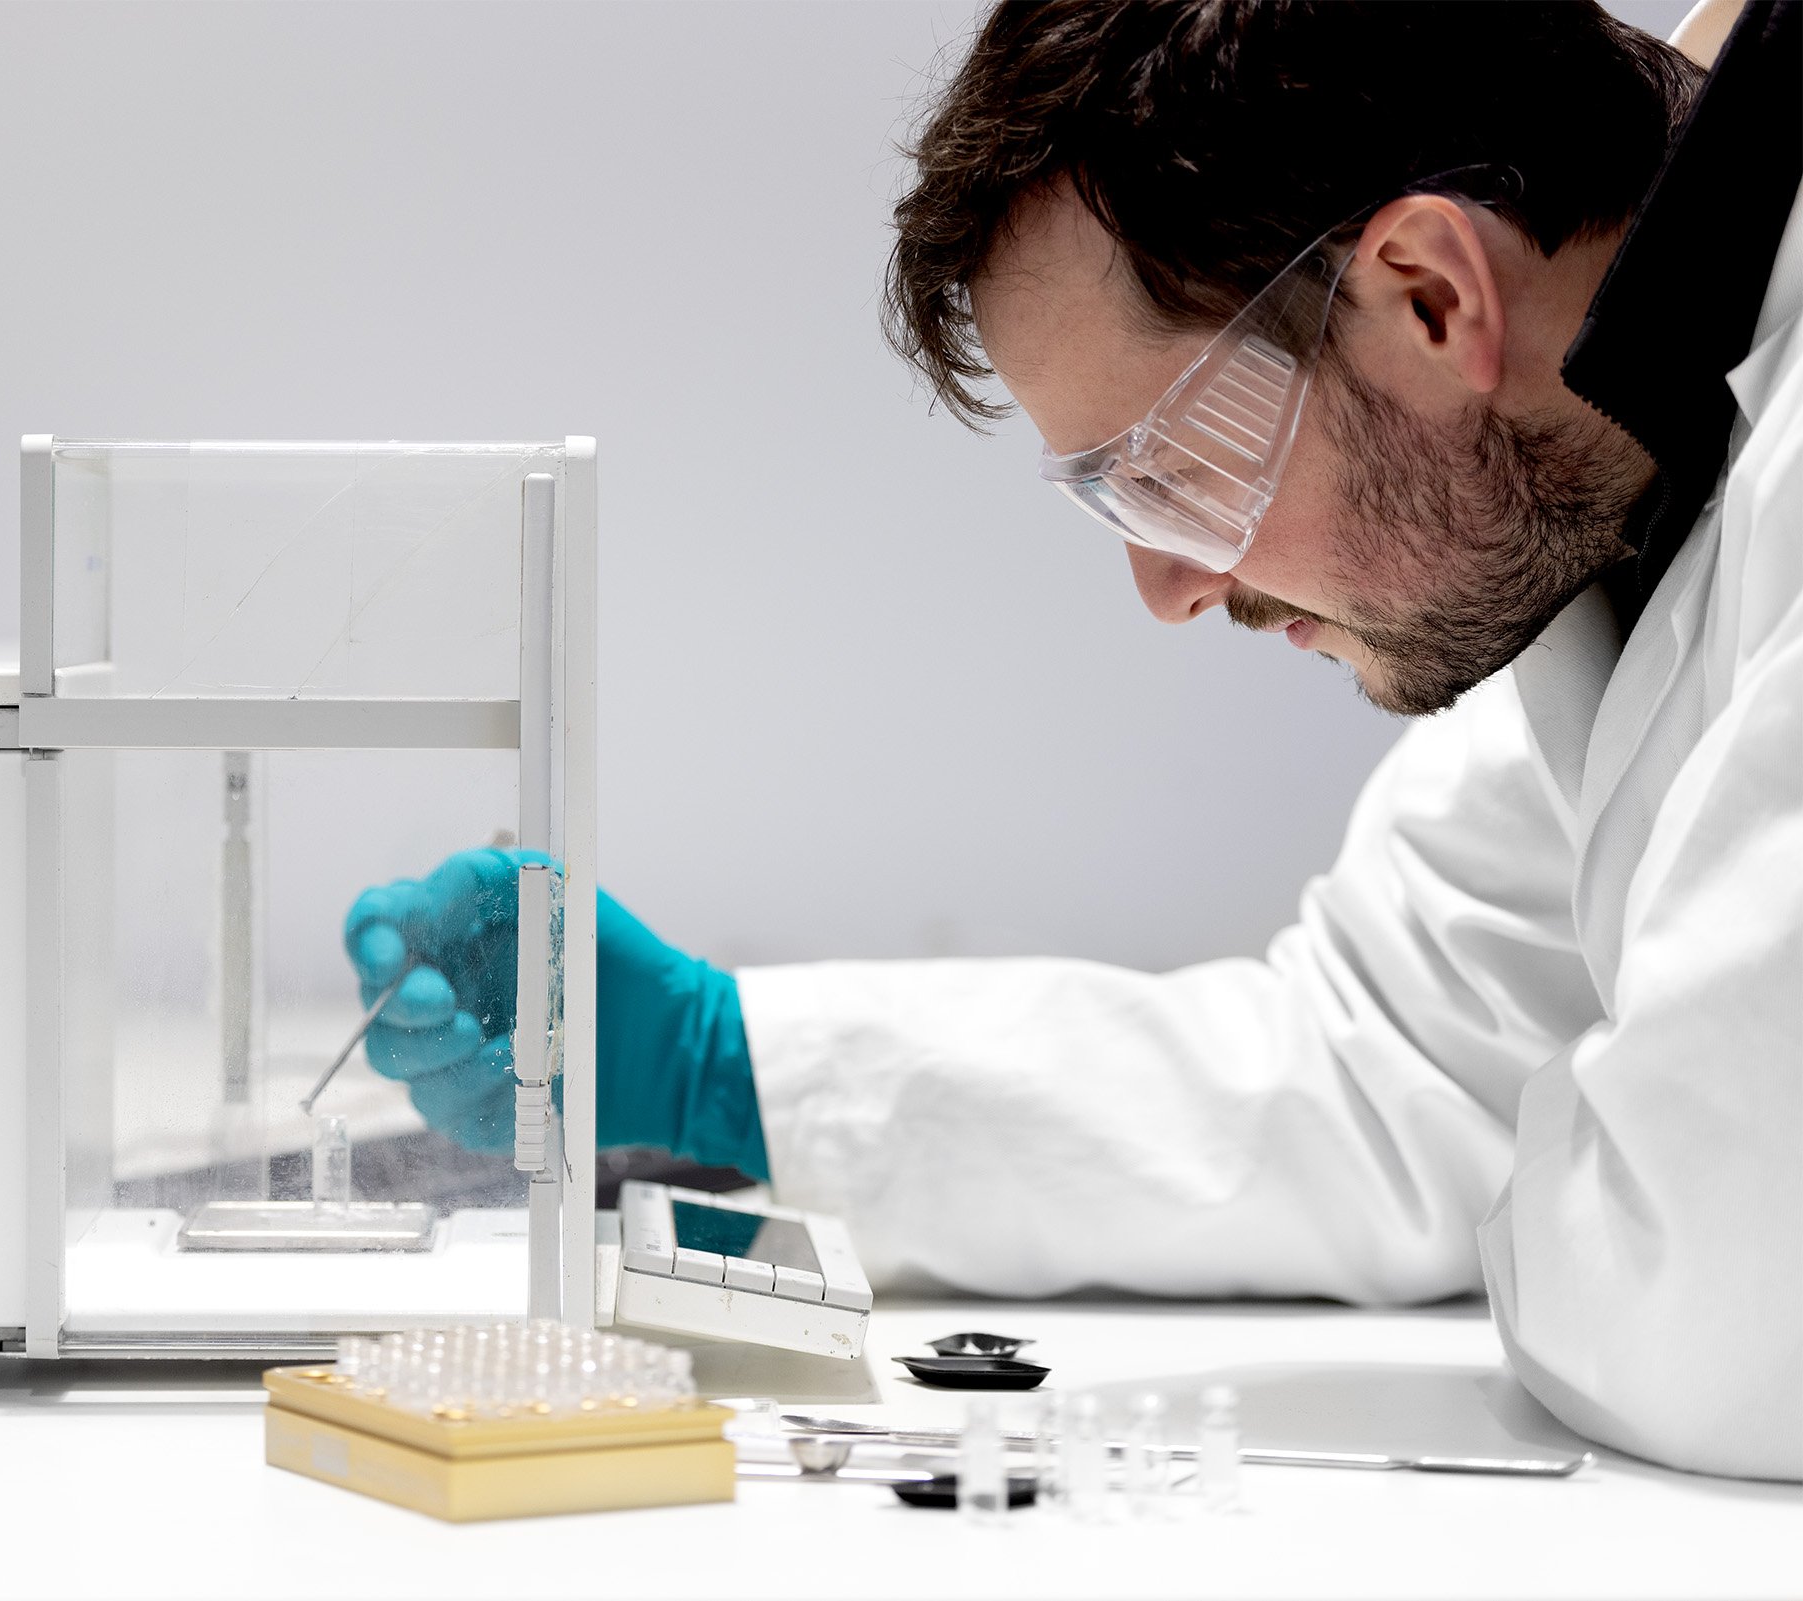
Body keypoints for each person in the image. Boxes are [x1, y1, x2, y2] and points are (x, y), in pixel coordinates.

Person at [344, 0, 1803, 1480]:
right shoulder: (1613, 462)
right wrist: (731, 1060)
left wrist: (1577, 1172)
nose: (1168, 588)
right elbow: (1384, 1071)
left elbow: (1744, 1311)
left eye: (1171, 474)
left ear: (1431, 296)